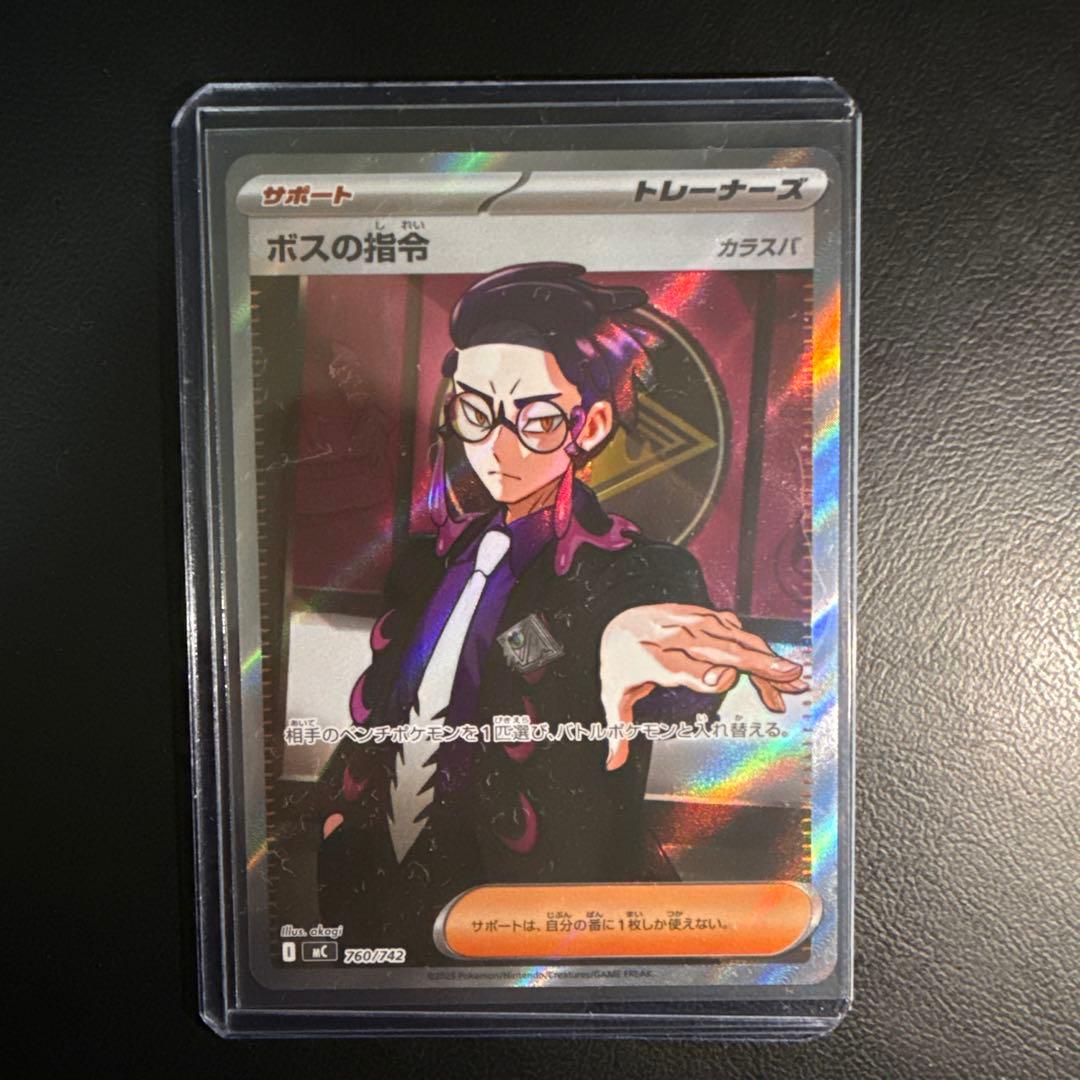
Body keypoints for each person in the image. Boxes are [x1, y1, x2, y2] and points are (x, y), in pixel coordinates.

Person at [316, 262, 806, 959]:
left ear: (592, 423)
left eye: (537, 420)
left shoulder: (638, 570)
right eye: (475, 411)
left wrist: (625, 652)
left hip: (542, 919)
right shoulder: (425, 563)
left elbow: (662, 675)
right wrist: (334, 822)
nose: (497, 446)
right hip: (382, 898)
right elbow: (386, 710)